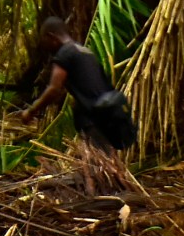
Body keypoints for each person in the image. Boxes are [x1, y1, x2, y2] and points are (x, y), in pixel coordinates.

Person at [20, 16, 138, 153]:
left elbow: (53, 89)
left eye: (44, 40)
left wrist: (31, 111)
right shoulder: (85, 51)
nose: (43, 45)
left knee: (100, 164)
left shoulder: (64, 54)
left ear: (51, 37)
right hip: (108, 114)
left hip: (93, 118)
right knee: (107, 160)